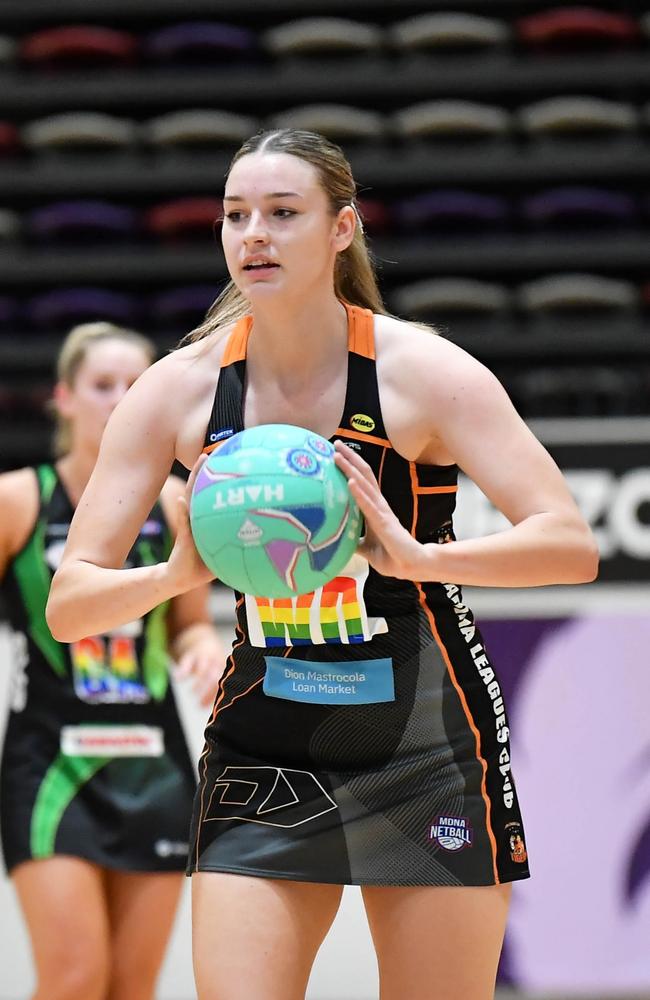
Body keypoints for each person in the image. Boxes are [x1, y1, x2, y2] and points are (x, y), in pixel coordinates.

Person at [46, 131, 599, 1000]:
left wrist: (420, 557)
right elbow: (70, 602)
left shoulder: (426, 372)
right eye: (235, 216)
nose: (252, 235)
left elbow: (570, 544)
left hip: (425, 744)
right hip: (264, 746)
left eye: (281, 214)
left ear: (342, 229)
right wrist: (175, 576)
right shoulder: (179, 389)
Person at [0, 321, 225, 1000]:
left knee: (131, 986)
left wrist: (205, 648)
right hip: (50, 764)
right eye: (103, 386)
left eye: (135, 386)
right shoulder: (18, 498)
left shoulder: (172, 502)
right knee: (74, 978)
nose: (121, 399)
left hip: (153, 764)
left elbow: (188, 626)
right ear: (64, 398)